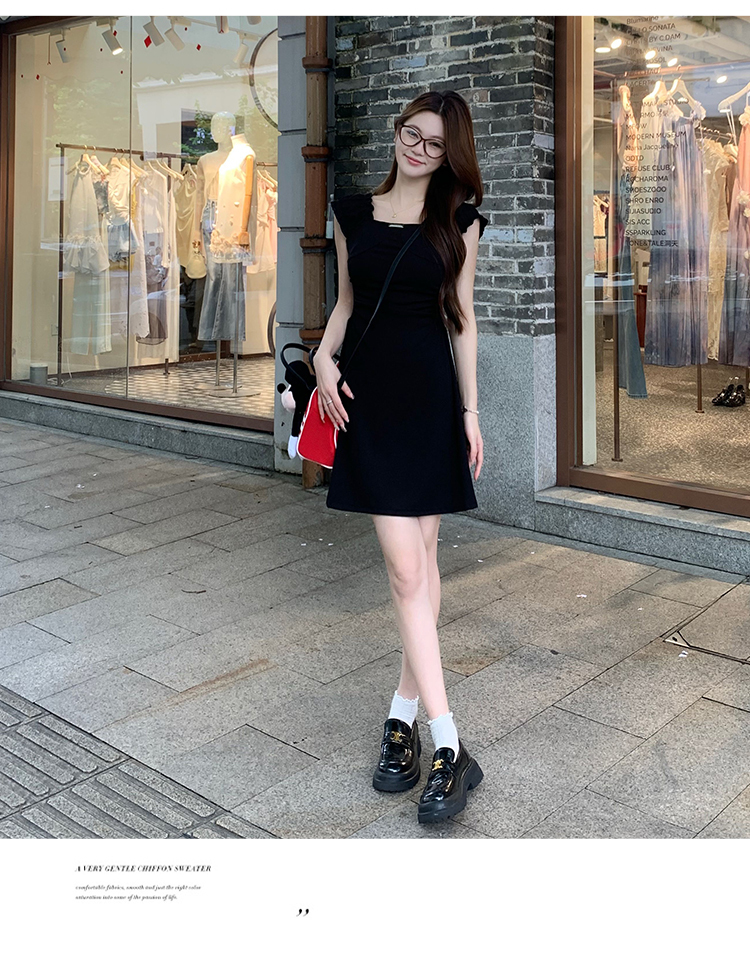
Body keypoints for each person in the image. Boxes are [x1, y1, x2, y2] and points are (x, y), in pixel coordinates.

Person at [313, 90, 487, 825]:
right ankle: (449, 744)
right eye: (412, 134)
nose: (418, 149)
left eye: (435, 143)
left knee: (423, 562)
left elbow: (463, 321)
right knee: (407, 570)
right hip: (371, 406)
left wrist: (471, 412)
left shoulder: (460, 223)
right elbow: (348, 305)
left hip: (430, 403)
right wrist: (321, 357)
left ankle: (401, 716)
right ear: (398, 132)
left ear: (450, 155)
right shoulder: (351, 212)